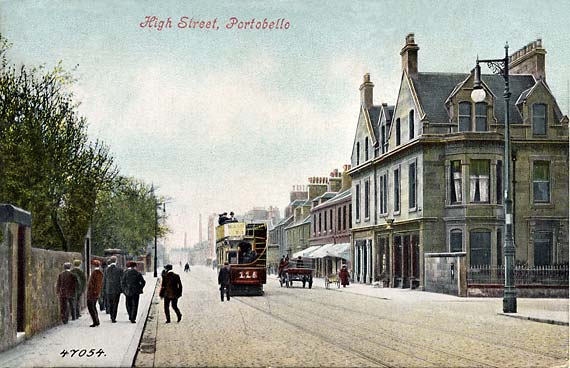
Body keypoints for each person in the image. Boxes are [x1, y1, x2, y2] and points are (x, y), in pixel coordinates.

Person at [103, 256, 123, 323]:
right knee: (115, 304)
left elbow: (104, 280)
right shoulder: (119, 270)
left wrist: (104, 288)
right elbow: (121, 280)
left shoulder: (106, 270)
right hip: (117, 290)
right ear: (116, 261)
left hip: (109, 289)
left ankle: (111, 316)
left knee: (110, 303)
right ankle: (114, 317)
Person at [87, 259, 104, 327]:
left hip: (93, 293)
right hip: (95, 293)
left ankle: (95, 321)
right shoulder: (99, 273)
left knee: (91, 307)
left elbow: (96, 284)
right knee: (93, 307)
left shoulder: (96, 273)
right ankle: (96, 320)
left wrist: (94, 292)